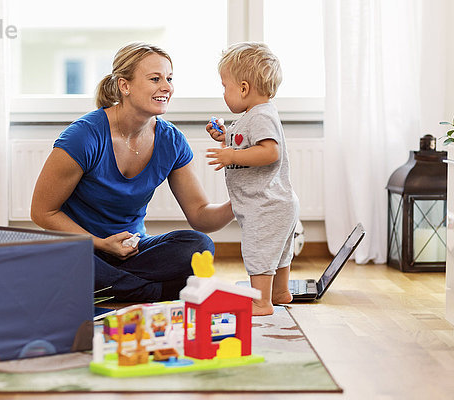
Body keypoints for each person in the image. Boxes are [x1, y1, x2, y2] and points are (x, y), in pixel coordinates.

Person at [31, 42, 233, 302]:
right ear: (124, 86)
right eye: (155, 79)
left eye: (169, 78)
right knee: (57, 260)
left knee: (199, 247)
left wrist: (240, 201)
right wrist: (101, 243)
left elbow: (201, 217)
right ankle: (152, 291)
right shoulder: (83, 136)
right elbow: (42, 211)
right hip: (82, 248)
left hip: (132, 251)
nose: (167, 87)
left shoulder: (171, 141)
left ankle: (105, 288)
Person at [206, 42, 299, 316]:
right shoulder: (254, 116)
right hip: (277, 203)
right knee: (278, 252)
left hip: (265, 205)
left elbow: (270, 151)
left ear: (244, 88)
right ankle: (280, 292)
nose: (223, 93)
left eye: (225, 87)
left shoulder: (260, 116)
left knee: (258, 251)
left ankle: (261, 302)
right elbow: (245, 142)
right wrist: (224, 136)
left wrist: (231, 155)